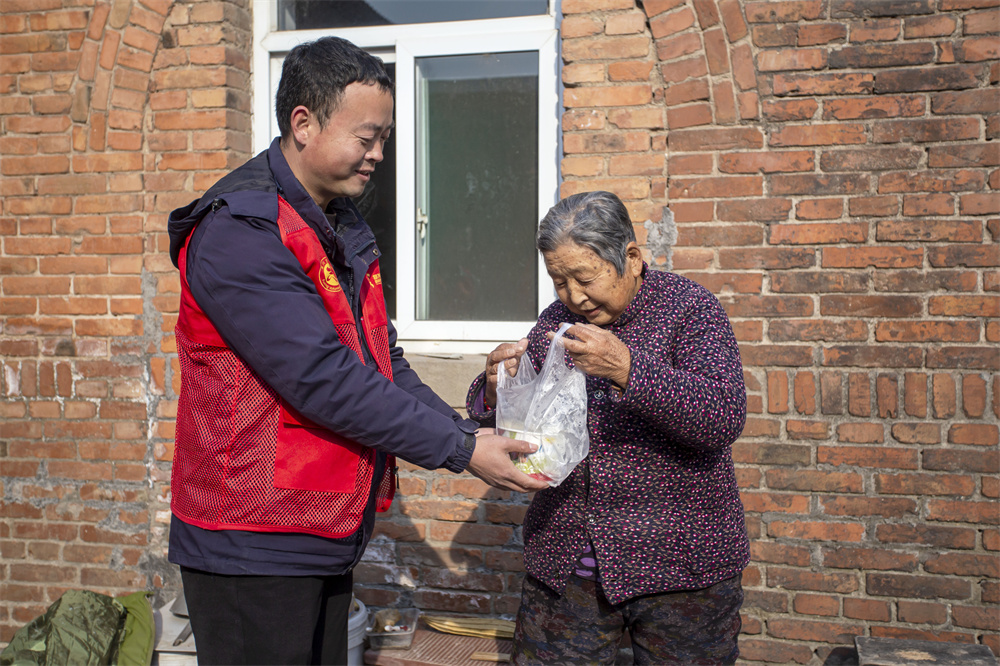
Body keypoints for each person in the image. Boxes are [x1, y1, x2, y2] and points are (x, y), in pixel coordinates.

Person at [166, 36, 547, 666]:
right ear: (304, 124)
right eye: (366, 136)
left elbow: (380, 360)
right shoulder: (243, 231)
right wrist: (459, 450)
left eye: (385, 138)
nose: (377, 154)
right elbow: (322, 378)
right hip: (253, 535)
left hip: (316, 525)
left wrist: (463, 426)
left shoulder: (340, 223)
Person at [466, 191, 750, 665]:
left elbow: (721, 416)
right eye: (559, 281)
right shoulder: (558, 322)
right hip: (569, 567)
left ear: (632, 258)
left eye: (585, 277)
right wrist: (494, 388)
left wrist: (628, 370)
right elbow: (516, 416)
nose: (574, 295)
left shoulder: (690, 311)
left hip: (682, 569)